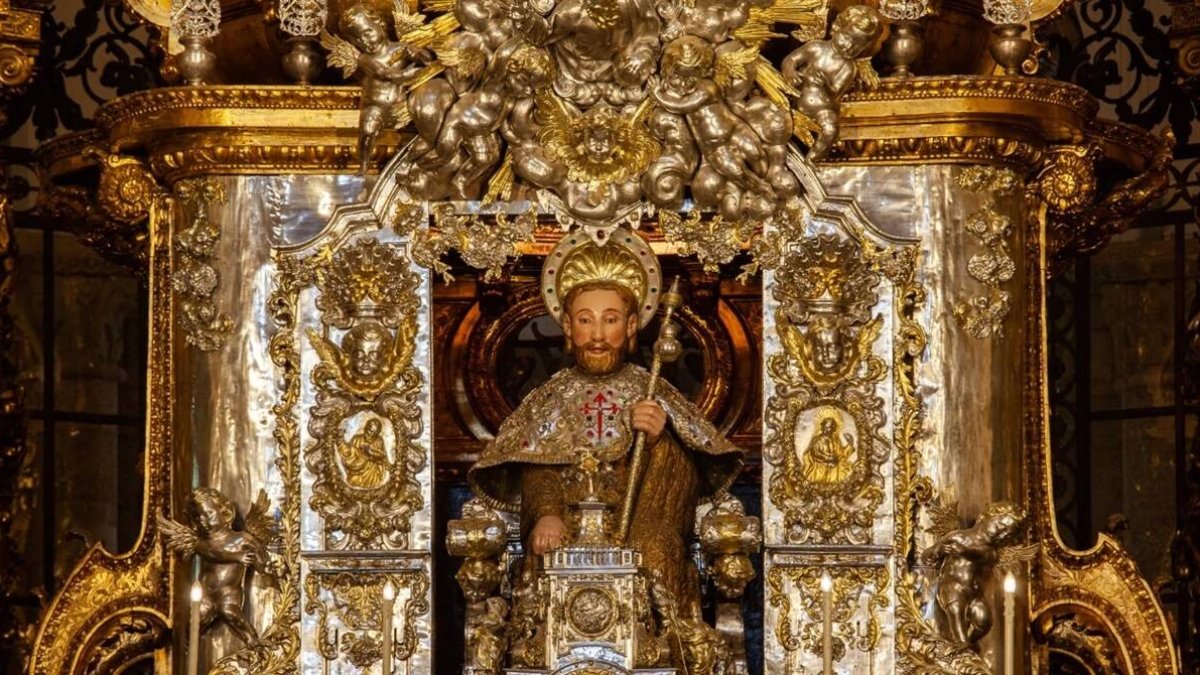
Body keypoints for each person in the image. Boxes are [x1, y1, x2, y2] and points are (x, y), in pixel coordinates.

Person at [467, 237, 743, 612]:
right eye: (585, 320)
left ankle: (662, 650)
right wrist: (546, 514)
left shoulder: (652, 390)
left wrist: (662, 441)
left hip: (639, 525)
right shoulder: (552, 397)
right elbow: (538, 468)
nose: (597, 334)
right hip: (568, 525)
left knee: (656, 550)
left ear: (631, 325)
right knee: (546, 551)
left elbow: (688, 479)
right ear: (567, 325)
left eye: (610, 320)